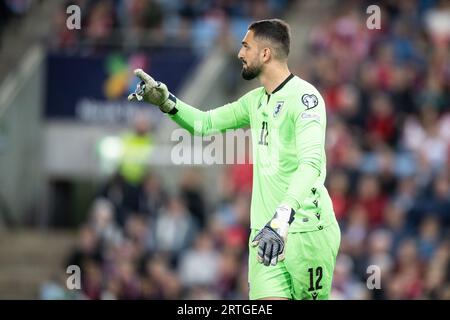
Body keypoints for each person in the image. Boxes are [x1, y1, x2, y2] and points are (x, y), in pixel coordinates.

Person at [128, 19, 341, 300]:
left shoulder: (305, 98)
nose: (240, 53)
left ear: (265, 54)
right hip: (266, 237)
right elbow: (205, 123)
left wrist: (283, 216)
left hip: (306, 231)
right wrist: (168, 103)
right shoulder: (254, 101)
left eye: (246, 46)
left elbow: (311, 164)